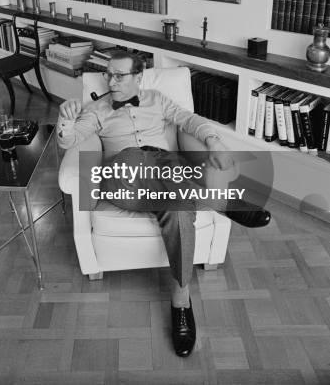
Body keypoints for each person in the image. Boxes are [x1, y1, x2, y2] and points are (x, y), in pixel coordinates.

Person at [57, 51, 270, 357]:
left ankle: (181, 302)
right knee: (134, 157)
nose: (111, 80)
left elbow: (190, 120)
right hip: (124, 176)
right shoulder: (96, 109)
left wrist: (215, 141)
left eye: (120, 75)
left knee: (177, 206)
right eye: (108, 74)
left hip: (167, 171)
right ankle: (221, 201)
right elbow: (71, 140)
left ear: (138, 77)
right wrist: (65, 122)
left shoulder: (157, 100)